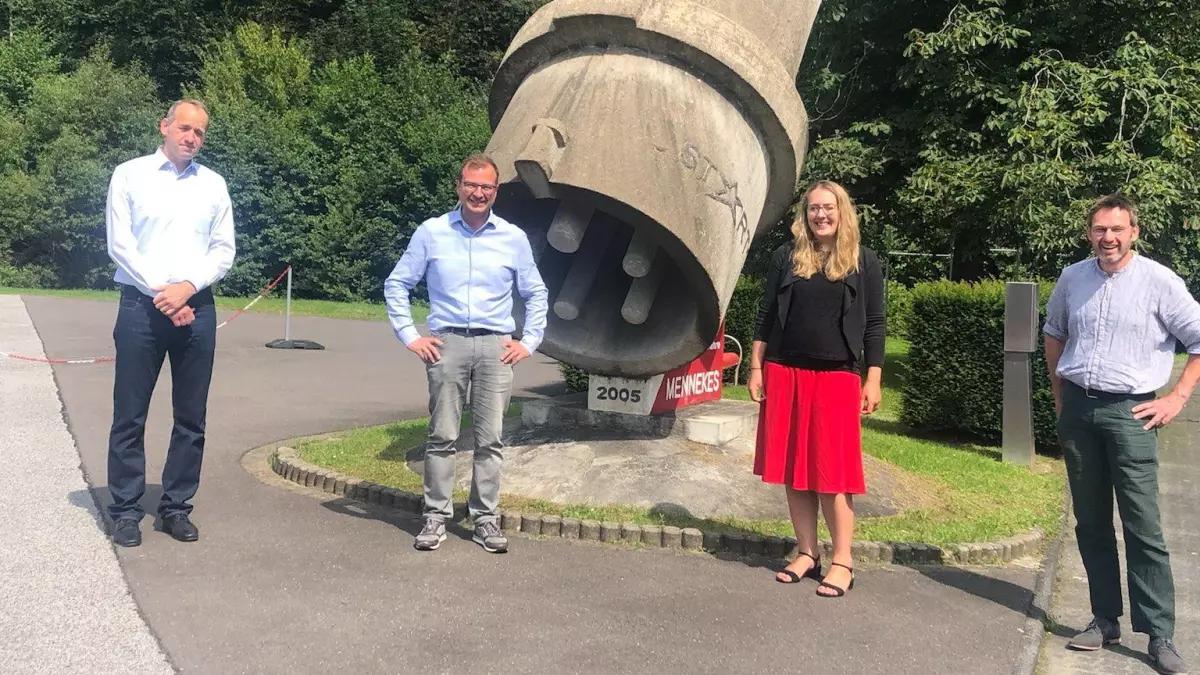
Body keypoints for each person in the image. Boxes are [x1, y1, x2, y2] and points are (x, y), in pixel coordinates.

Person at [1044, 194, 1200, 674]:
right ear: (1089, 233)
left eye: (1117, 229)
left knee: (1143, 527)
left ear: (1134, 231)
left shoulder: (1159, 281)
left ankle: (1159, 634)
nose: (1107, 238)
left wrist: (1177, 398)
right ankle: (1104, 618)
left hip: (1132, 415)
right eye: (1099, 229)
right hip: (1080, 410)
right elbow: (1054, 332)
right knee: (1090, 522)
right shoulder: (1073, 278)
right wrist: (1060, 396)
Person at [384, 153, 548, 554]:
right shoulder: (432, 232)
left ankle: (486, 519)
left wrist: (529, 341)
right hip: (447, 344)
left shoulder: (512, 238)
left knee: (490, 438)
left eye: (486, 187)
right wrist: (410, 335)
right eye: (471, 185)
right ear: (459, 186)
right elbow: (397, 284)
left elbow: (536, 292)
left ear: (495, 192)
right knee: (442, 436)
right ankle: (435, 516)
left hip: (496, 347)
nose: (478, 193)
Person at [105, 99, 236, 547]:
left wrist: (188, 287)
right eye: (183, 128)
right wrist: (166, 292)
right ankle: (124, 509)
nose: (191, 138)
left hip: (196, 306)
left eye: (199, 132)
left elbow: (223, 249)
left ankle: (175, 507)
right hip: (141, 307)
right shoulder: (130, 175)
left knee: (191, 417)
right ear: (164, 127)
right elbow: (120, 244)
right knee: (130, 414)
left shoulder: (214, 185)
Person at [747, 180, 884, 597]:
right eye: (812, 209)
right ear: (804, 215)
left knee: (832, 474)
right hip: (785, 371)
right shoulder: (785, 257)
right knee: (794, 469)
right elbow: (766, 314)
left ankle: (843, 560)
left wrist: (873, 377)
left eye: (828, 208)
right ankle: (808, 552)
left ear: (842, 212)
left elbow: (876, 323)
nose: (820, 215)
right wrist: (756, 366)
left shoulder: (864, 260)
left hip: (838, 376)